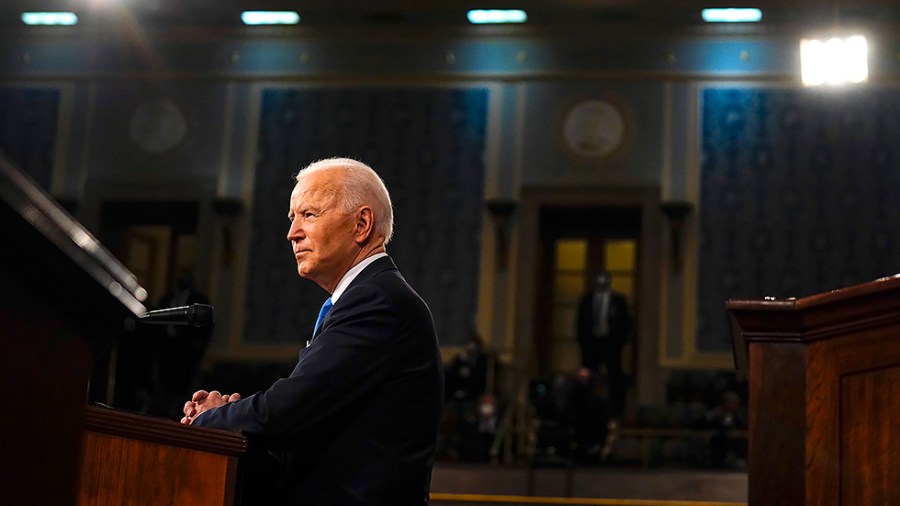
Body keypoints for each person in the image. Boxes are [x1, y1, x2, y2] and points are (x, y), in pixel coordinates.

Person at [181, 157, 444, 505]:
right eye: (292, 218)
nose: (292, 233)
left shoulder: (376, 302)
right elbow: (310, 424)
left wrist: (211, 420)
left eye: (309, 215)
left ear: (362, 224)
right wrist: (232, 418)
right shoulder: (365, 298)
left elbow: (288, 410)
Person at [576, 271, 630, 419]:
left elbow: (626, 324)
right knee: (588, 378)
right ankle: (585, 409)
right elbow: (580, 324)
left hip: (611, 344)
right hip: (591, 345)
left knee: (615, 377)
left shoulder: (618, 301)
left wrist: (619, 342)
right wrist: (583, 343)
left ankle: (617, 411)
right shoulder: (586, 300)